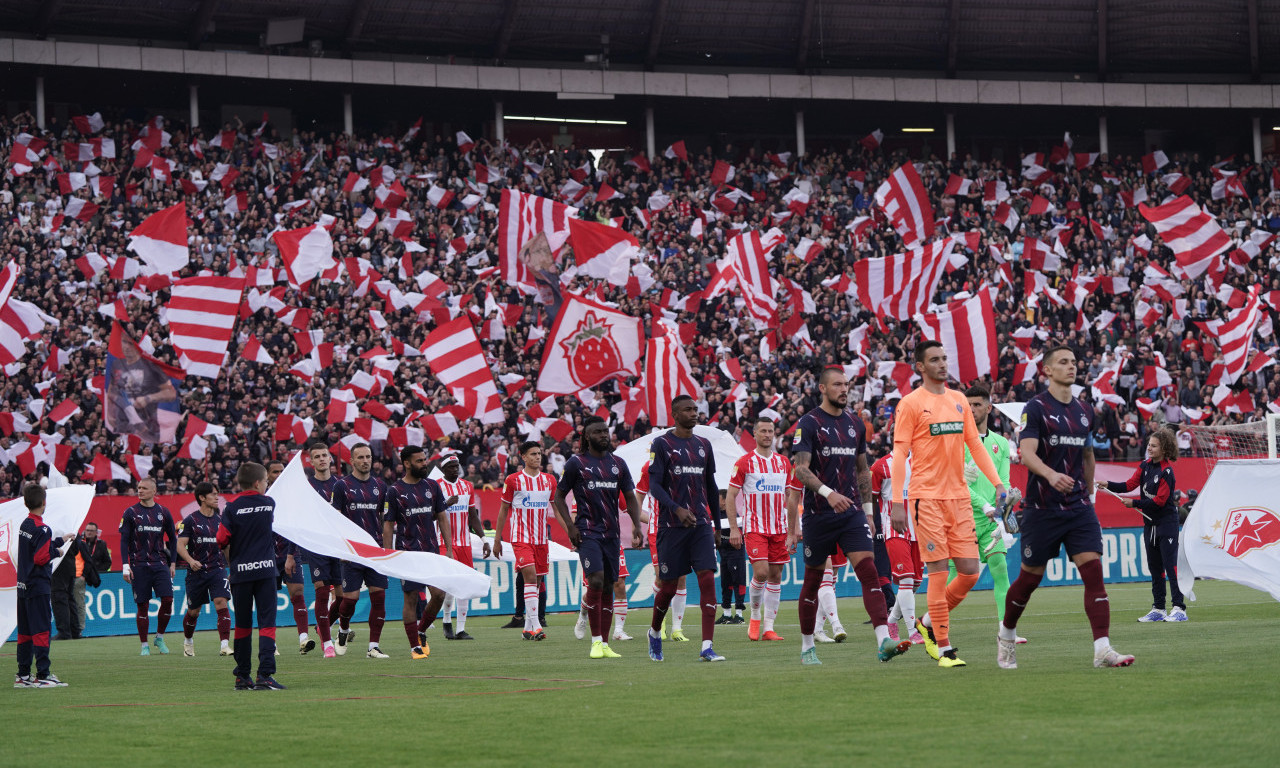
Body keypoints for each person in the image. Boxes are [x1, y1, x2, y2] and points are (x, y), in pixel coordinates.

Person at [998, 346, 1135, 670]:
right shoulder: (1036, 407)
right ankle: (1006, 634)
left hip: (1077, 507)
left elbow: (1088, 457)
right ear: (1047, 370)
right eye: (1063, 362)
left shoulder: (1085, 411)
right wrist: (1050, 474)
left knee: (1094, 572)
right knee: (1030, 579)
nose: (1071, 367)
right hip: (1042, 507)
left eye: (1074, 362)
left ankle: (1102, 648)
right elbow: (1026, 453)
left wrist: (1090, 496)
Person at [890, 341, 1006, 668]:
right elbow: (900, 454)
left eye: (944, 358)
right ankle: (944, 648)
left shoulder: (958, 401)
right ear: (920, 367)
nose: (942, 364)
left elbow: (975, 445)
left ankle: (926, 623)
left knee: (969, 572)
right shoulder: (911, 404)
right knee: (939, 572)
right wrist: (898, 500)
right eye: (935, 360)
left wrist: (997, 483)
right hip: (926, 498)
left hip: (958, 498)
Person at [790, 366, 909, 666]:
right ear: (822, 388)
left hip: (852, 513)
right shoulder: (809, 423)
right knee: (814, 580)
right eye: (837, 385)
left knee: (868, 570)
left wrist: (868, 512)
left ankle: (883, 640)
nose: (844, 390)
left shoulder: (855, 424)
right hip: (819, 514)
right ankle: (807, 646)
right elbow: (800, 469)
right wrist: (828, 493)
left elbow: (861, 471)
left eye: (846, 385)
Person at [553, 416, 642, 659]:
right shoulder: (576, 463)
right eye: (598, 432)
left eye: (606, 431)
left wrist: (636, 525)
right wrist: (571, 528)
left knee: (608, 589)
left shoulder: (618, 464)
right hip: (587, 533)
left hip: (612, 535)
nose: (604, 435)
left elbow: (630, 497)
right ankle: (594, 641)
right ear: (587, 437)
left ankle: (603, 643)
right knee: (596, 580)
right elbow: (559, 497)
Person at [645, 395, 726, 663]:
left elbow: (711, 487)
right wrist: (676, 508)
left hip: (701, 524)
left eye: (695, 409)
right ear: (674, 414)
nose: (694, 413)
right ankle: (655, 632)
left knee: (706, 580)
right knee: (667, 588)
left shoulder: (704, 445)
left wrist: (715, 523)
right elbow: (654, 486)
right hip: (671, 526)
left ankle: (707, 646)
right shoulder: (662, 444)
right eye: (687, 410)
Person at [955, 384, 1025, 642]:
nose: (971, 410)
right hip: (962, 518)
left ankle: (1006, 631)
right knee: (956, 579)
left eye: (976, 405)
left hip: (990, 521)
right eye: (968, 405)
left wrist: (1004, 511)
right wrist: (984, 506)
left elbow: (1003, 482)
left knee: (1000, 570)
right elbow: (958, 484)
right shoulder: (957, 441)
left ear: (988, 407)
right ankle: (931, 625)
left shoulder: (1001, 443)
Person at [1099, 428, 1185, 622]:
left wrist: (1135, 503)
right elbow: (1129, 485)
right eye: (1149, 445)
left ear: (1164, 449)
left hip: (1167, 523)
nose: (1149, 448)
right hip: (1150, 524)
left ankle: (1179, 608)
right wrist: (1108, 484)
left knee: (1170, 566)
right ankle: (1159, 608)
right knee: (1154, 567)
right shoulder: (1145, 465)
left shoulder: (1166, 471)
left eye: (1154, 446)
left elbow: (1160, 502)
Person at [725, 417, 796, 642]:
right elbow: (730, 496)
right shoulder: (745, 462)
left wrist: (794, 529)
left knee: (776, 576)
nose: (767, 435)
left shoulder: (784, 463)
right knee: (762, 573)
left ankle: (768, 628)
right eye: (763, 431)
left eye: (770, 431)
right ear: (754, 434)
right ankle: (754, 617)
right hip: (755, 528)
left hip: (780, 529)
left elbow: (791, 497)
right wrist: (735, 528)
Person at [217, 462, 285, 690]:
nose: (267, 485)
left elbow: (221, 539)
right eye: (266, 481)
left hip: (241, 573)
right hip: (266, 571)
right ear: (257, 483)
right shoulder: (269, 503)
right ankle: (264, 675)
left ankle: (242, 676)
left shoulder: (232, 507)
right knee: (267, 624)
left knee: (243, 625)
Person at [383, 445, 453, 659]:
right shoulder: (394, 491)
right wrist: (388, 555)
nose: (424, 464)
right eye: (420, 461)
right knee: (411, 598)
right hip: (407, 553)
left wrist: (448, 549)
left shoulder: (432, 486)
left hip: (431, 552)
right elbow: (388, 525)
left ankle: (421, 631)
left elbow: (442, 517)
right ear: (406, 463)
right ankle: (414, 646)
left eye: (425, 460)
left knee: (439, 594)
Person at [494, 441, 560, 641]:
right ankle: (537, 627)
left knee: (538, 581)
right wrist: (497, 539)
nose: (537, 457)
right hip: (520, 538)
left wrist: (571, 531)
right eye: (533, 454)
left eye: (539, 453)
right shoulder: (513, 480)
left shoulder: (549, 480)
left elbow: (556, 510)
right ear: (523, 457)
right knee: (530, 576)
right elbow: (504, 510)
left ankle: (527, 629)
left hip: (541, 539)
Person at [332, 442, 390, 658]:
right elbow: (334, 519)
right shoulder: (342, 486)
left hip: (374, 551)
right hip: (351, 551)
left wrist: (386, 548)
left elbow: (385, 519)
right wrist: (340, 548)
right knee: (350, 600)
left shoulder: (380, 486)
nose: (366, 461)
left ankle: (372, 646)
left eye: (368, 457)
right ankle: (343, 630)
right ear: (352, 461)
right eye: (361, 457)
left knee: (379, 597)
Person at [14, 484, 71, 687]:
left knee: (25, 632)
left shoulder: (26, 524)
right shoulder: (42, 528)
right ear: (44, 502)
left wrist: (59, 541)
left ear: (25, 502)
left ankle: (23, 675)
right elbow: (41, 557)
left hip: (23, 585)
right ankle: (43, 674)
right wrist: (58, 552)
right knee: (41, 630)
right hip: (38, 586)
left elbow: (34, 549)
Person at [119, 477, 178, 656]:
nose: (140, 490)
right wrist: (124, 565)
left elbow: (173, 539)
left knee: (168, 600)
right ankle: (144, 644)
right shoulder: (130, 512)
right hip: (138, 564)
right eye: (139, 488)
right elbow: (123, 540)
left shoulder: (163, 512)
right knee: (142, 605)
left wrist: (173, 563)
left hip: (160, 563)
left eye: (144, 488)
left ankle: (159, 637)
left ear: (154, 491)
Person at [435, 453, 489, 640]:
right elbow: (431, 516)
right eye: (451, 466)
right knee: (450, 585)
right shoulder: (437, 487)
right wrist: (446, 504)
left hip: (465, 543)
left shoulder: (467, 486)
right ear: (443, 469)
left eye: (457, 465)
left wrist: (484, 540)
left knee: (465, 584)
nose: (455, 469)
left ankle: (460, 629)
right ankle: (447, 620)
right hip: (444, 543)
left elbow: (473, 516)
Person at [872, 448, 923, 645]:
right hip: (894, 530)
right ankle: (912, 631)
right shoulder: (880, 466)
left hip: (919, 531)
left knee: (915, 583)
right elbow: (872, 497)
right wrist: (873, 521)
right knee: (907, 581)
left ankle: (891, 621)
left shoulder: (922, 460)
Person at [177, 482, 232, 657]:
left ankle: (224, 645)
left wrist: (232, 567)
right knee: (194, 612)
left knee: (221, 602)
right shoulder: (190, 520)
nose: (217, 497)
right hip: (197, 571)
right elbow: (179, 545)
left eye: (218, 494)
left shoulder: (222, 520)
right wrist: (191, 560)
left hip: (217, 568)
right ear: (202, 498)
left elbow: (227, 547)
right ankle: (188, 641)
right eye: (213, 494)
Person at [270, 459, 316, 656]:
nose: (279, 475)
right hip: (268, 557)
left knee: (298, 594)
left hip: (290, 553)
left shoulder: (294, 500)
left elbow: (297, 529)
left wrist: (291, 554)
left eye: (282, 471)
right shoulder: (265, 499)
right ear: (267, 475)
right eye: (274, 472)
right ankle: (270, 642)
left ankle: (303, 639)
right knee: (267, 600)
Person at [302, 443, 345, 653]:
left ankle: (322, 627)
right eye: (317, 456)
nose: (321, 459)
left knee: (343, 596)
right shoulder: (307, 488)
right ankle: (327, 644)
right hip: (316, 545)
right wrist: (292, 553)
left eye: (324, 455)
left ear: (330, 459)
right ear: (311, 461)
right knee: (321, 592)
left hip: (338, 546)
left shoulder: (341, 484)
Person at [51, 522, 111, 640]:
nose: (88, 532)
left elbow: (92, 560)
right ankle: (75, 631)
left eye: (91, 530)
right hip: (72, 571)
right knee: (71, 600)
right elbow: (77, 549)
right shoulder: (74, 530)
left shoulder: (58, 527)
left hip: (66, 570)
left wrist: (83, 575)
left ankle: (66, 632)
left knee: (62, 599)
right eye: (87, 530)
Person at [715, 490, 747, 625]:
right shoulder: (717, 515)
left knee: (738, 581)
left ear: (723, 500)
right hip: (724, 554)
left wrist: (722, 542)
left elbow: (739, 539)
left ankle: (739, 614)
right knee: (725, 583)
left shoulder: (734, 516)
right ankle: (727, 613)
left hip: (735, 554)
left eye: (718, 498)